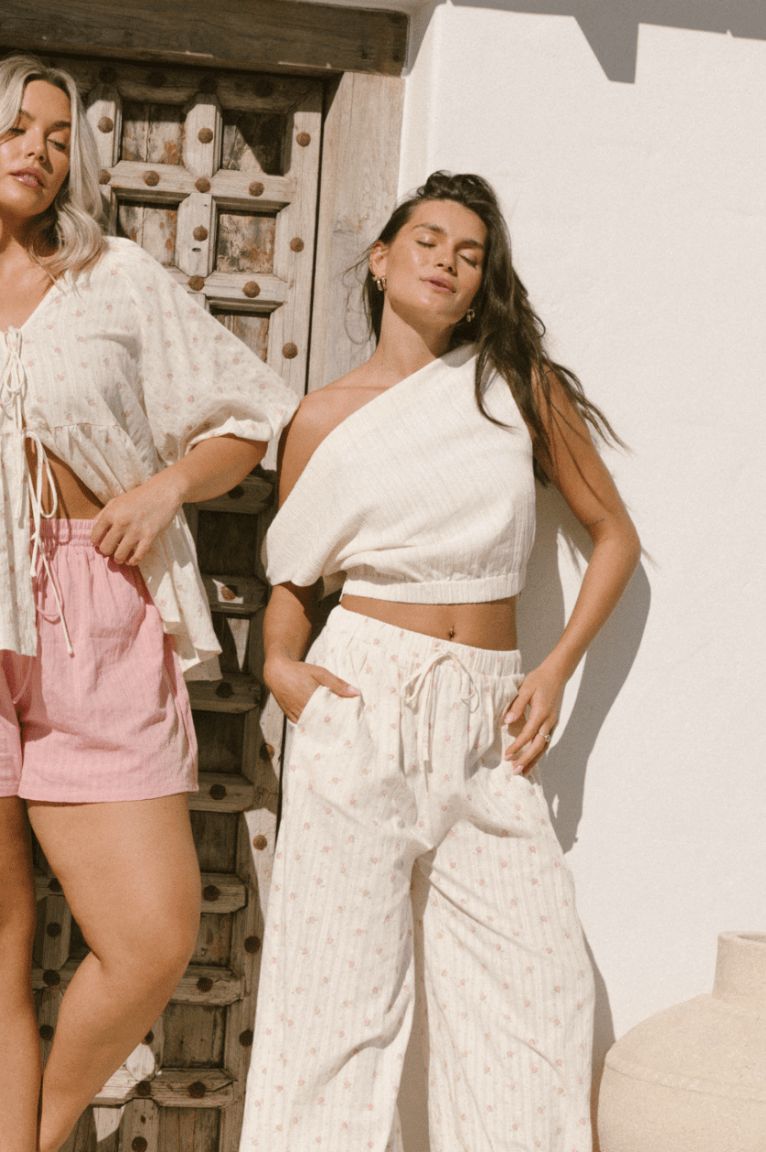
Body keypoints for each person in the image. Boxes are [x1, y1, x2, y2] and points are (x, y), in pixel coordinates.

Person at [0, 54, 298, 1152]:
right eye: (16, 129)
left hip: (91, 607)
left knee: (150, 934)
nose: (36, 151)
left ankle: (34, 1135)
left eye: (56, 137)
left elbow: (248, 414)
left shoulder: (120, 280)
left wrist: (164, 486)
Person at [240, 171, 641, 1151]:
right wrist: (282, 672)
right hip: (361, 698)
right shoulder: (321, 417)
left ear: (477, 285)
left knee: (532, 1001)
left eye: (467, 254)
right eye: (426, 239)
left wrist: (550, 673)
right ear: (379, 259)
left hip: (487, 713)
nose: (445, 261)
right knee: (335, 1007)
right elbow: (291, 578)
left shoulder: (514, 390)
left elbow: (613, 536)